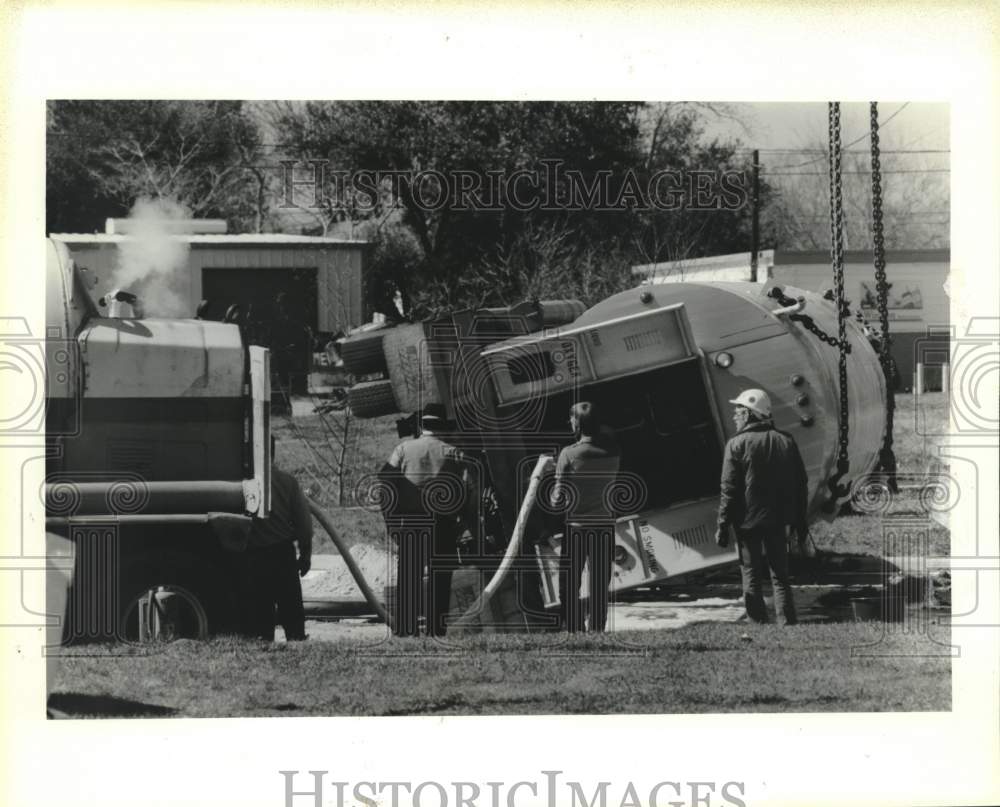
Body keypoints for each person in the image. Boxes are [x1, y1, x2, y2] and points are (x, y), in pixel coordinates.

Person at [715, 388, 808, 626]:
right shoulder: (786, 441)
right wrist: (800, 521)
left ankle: (757, 622)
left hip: (747, 521)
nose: (735, 416)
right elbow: (801, 484)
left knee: (751, 572)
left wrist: (722, 524)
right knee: (780, 574)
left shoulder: (736, 444)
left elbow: (729, 488)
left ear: (748, 414)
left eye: (738, 411)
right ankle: (786, 621)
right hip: (778, 519)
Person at [382, 403, 471, 637]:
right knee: (440, 583)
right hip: (442, 526)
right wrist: (464, 525)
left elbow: (386, 485)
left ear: (421, 426)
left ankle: (405, 631)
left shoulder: (402, 449)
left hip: (409, 525)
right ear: (443, 426)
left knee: (408, 581)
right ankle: (436, 632)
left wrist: (391, 523)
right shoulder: (455, 453)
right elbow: (468, 493)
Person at [550, 401, 621, 633]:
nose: (569, 422)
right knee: (600, 583)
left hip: (577, 527)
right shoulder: (613, 451)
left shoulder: (568, 454)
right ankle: (597, 630)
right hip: (604, 526)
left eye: (572, 419)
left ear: (578, 423)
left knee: (569, 585)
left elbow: (557, 500)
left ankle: (575, 630)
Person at [243, 437, 313, 641]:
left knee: (261, 613)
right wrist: (306, 554)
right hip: (283, 554)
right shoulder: (287, 482)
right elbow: (303, 524)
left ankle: (265, 646)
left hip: (254, 555)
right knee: (292, 611)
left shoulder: (244, 484)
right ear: (272, 453)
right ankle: (296, 643)